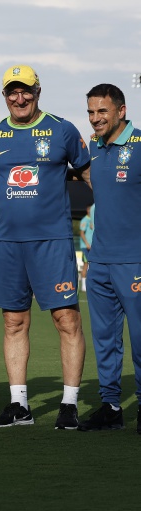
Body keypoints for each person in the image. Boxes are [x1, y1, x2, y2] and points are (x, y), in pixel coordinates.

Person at [0, 65, 91, 430]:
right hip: (9, 243)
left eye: (25, 90)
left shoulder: (62, 129)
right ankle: (19, 405)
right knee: (13, 322)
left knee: (66, 320)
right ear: (4, 95)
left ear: (38, 91)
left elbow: (88, 173)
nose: (19, 98)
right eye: (12, 92)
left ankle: (69, 403)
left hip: (53, 242)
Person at [78, 84, 141, 432]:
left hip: (135, 261)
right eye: (91, 112)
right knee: (105, 339)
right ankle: (111, 406)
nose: (96, 118)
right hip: (100, 263)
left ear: (121, 110)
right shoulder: (94, 150)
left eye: (102, 111)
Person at [79, 204, 95, 291]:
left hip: (93, 246)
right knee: (86, 264)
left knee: (92, 265)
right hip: (86, 246)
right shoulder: (85, 220)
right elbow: (81, 233)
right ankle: (83, 286)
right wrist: (87, 243)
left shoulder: (93, 220)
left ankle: (90, 284)